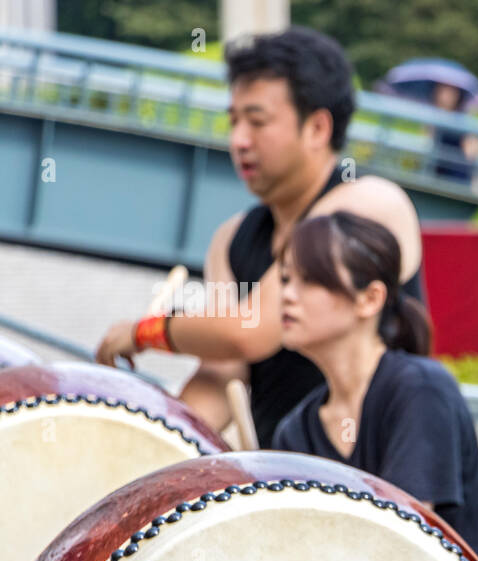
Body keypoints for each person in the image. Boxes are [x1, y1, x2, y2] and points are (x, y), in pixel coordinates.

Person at [96, 26, 426, 450]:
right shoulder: (231, 238)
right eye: (233, 121)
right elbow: (222, 372)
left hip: (383, 472)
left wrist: (145, 332)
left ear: (318, 128)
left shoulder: (367, 204)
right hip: (288, 475)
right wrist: (152, 449)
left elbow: (249, 330)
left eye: (257, 121)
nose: (238, 140)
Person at [271, 211, 478, 554]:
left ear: (370, 298)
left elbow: (403, 550)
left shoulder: (421, 390)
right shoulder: (295, 429)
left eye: (309, 280)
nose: (287, 295)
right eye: (285, 279)